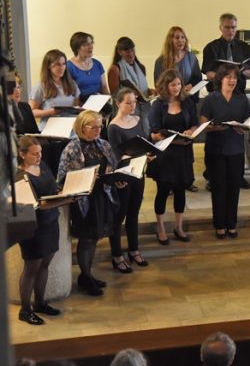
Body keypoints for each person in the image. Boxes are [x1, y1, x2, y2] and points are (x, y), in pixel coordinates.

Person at [58, 110, 119, 296]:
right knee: (86, 239)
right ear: (82, 128)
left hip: (101, 197)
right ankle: (85, 276)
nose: (99, 130)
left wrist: (117, 179)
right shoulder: (72, 148)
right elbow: (62, 178)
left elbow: (113, 167)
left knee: (94, 238)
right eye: (94, 127)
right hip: (83, 200)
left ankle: (87, 276)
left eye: (100, 126)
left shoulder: (103, 144)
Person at [15, 137, 72, 325]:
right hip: (33, 227)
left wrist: (64, 190)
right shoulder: (19, 176)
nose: (39, 156)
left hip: (50, 223)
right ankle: (25, 310)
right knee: (31, 268)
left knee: (45, 264)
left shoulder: (44, 164)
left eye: (40, 152)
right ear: (22, 154)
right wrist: (67, 200)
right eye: (34, 153)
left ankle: (40, 302)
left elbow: (52, 188)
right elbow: (39, 204)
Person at [199, 64, 250, 238]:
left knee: (234, 188)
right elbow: (202, 125)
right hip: (216, 150)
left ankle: (232, 223)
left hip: (236, 150)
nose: (232, 80)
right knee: (219, 188)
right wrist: (214, 128)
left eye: (235, 77)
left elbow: (247, 122)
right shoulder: (210, 99)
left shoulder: (241, 98)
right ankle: (219, 224)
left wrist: (244, 128)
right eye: (228, 77)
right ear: (220, 79)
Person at [148, 69, 198, 245]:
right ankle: (161, 228)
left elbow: (194, 124)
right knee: (162, 192)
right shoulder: (158, 105)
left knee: (180, 191)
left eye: (178, 84)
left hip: (183, 154)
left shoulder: (188, 102)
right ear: (165, 86)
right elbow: (154, 134)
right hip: (164, 156)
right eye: (172, 84)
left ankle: (179, 227)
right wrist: (175, 140)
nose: (176, 88)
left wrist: (190, 131)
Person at [106, 88, 150, 273]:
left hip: (139, 172)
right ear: (118, 104)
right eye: (128, 103)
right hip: (124, 175)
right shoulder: (113, 126)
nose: (133, 106)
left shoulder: (138, 120)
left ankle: (134, 249)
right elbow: (115, 155)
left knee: (134, 212)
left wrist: (149, 154)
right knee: (120, 215)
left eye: (134, 102)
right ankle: (116, 255)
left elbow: (145, 143)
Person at [201, 13, 250, 93]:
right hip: (217, 92)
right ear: (220, 28)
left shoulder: (244, 47)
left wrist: (239, 73)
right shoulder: (211, 47)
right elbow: (209, 73)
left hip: (239, 92)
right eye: (227, 27)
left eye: (233, 27)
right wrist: (227, 77)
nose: (230, 30)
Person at [29, 49, 81, 129]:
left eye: (63, 64)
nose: (62, 67)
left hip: (70, 128)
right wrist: (50, 112)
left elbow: (77, 106)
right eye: (57, 64)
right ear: (49, 66)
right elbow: (31, 112)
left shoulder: (72, 84)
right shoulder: (40, 86)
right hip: (50, 128)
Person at [107, 37, 154, 122]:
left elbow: (141, 87)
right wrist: (131, 94)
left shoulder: (141, 67)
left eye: (132, 50)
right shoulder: (115, 69)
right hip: (127, 110)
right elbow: (115, 95)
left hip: (144, 108)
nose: (131, 54)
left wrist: (150, 91)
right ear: (120, 52)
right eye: (127, 51)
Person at [153, 26, 203, 90]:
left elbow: (198, 78)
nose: (180, 40)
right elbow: (158, 84)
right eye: (177, 38)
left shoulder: (191, 57)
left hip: (188, 97)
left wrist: (189, 86)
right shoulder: (160, 61)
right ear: (170, 41)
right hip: (169, 98)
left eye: (183, 37)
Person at [66, 32, 110, 102]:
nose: (91, 47)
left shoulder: (97, 64)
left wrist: (109, 101)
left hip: (99, 103)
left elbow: (104, 87)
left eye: (91, 43)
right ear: (77, 48)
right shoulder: (69, 66)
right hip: (81, 105)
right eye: (86, 44)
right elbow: (70, 93)